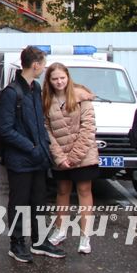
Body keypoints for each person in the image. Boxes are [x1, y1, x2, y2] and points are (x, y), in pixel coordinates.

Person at [0, 45, 65, 262]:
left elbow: (38, 123)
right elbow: (5, 130)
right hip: (20, 159)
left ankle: (39, 241)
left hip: (37, 158)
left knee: (39, 201)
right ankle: (16, 244)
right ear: (35, 65)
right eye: (43, 64)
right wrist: (31, 147)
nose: (44, 68)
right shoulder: (11, 93)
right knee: (18, 202)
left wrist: (41, 148)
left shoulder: (35, 88)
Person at [42, 65, 98, 254]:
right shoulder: (46, 100)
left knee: (84, 191)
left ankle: (85, 236)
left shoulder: (82, 96)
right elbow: (47, 130)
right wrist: (59, 157)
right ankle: (60, 230)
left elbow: (88, 128)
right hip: (60, 157)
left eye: (62, 78)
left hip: (82, 155)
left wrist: (73, 157)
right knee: (62, 191)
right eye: (55, 79)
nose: (59, 82)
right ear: (49, 81)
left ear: (68, 77)